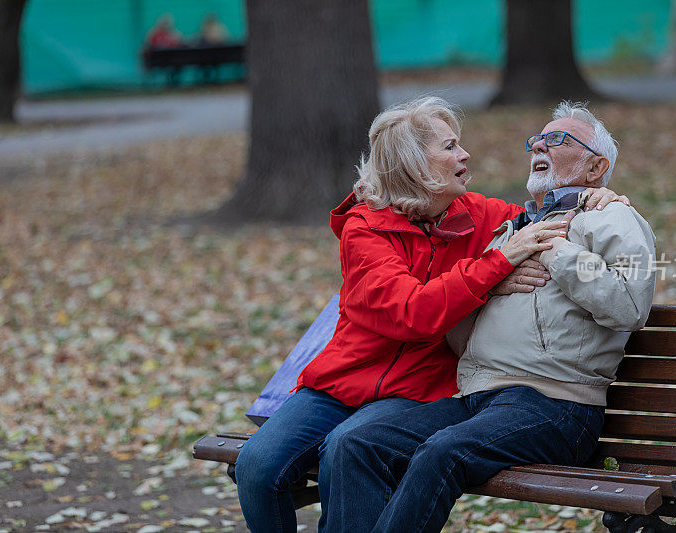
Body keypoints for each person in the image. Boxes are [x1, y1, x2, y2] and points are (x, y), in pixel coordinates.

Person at [233, 97, 628, 533]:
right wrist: (493, 271)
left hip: (418, 388)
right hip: (342, 383)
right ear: (414, 166)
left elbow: (548, 216)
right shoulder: (365, 228)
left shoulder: (479, 215)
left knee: (347, 449)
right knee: (256, 466)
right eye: (449, 147)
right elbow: (412, 312)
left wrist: (597, 195)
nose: (465, 155)